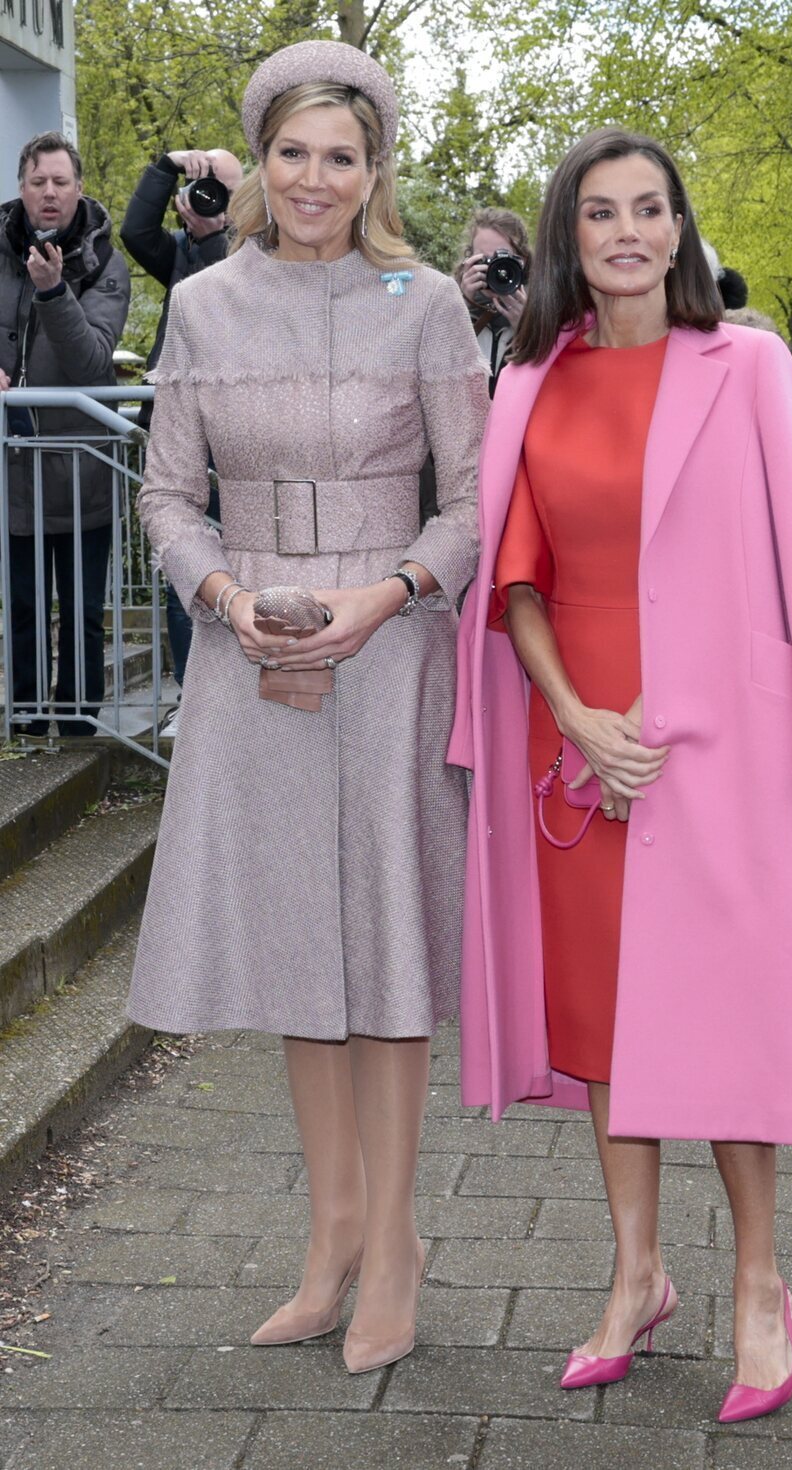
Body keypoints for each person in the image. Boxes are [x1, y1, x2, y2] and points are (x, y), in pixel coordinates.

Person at [449, 127, 792, 1423]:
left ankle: (760, 1280)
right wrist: (579, 718)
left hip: (721, 753)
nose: (629, 232)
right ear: (567, 239)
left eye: (651, 208)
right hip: (582, 751)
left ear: (679, 227)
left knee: (724, 1015)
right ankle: (636, 1272)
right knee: (603, 1024)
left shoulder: (748, 365)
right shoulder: (531, 383)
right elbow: (513, 578)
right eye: (602, 214)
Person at [126, 40, 488, 1373]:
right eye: (294, 153)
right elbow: (165, 494)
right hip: (250, 654)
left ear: (372, 166)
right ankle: (330, 1234)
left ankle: (394, 1242)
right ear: (260, 161)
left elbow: (471, 501)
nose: (317, 178)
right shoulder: (207, 305)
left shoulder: (429, 304)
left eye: (343, 155)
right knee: (298, 952)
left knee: (384, 961)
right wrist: (222, 595)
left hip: (391, 656)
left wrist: (390, 593)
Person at [0, 131, 130, 736]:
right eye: (37, 183)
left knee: (81, 610)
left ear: (79, 189)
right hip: (13, 467)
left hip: (81, 470)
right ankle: (24, 719)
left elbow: (94, 366)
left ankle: (78, 724)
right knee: (23, 607)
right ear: (21, 189)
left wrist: (54, 291)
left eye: (60, 182)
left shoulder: (104, 260)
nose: (49, 194)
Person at [121, 146, 244, 734]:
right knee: (184, 567)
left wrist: (218, 234)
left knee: (233, 569)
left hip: (236, 442)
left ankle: (226, 697)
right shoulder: (180, 251)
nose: (208, 194)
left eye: (220, 185)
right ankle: (190, 696)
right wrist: (167, 164)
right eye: (202, 185)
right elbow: (133, 229)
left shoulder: (251, 252)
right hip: (181, 435)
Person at [455, 207, 532, 394]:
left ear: (521, 260)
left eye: (503, 258)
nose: (495, 269)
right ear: (469, 258)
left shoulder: (544, 305)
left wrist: (528, 328)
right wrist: (461, 306)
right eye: (485, 259)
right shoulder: (448, 298)